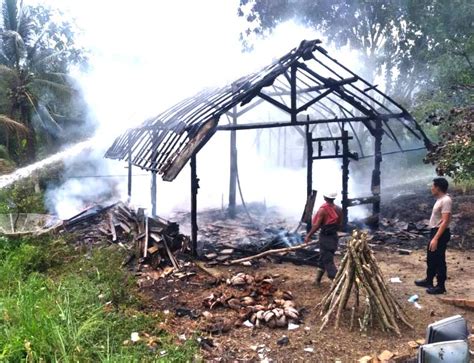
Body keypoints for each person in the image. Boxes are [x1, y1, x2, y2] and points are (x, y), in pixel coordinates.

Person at [415, 177, 452, 294]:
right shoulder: (440, 199)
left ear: (438, 188)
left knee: (439, 259)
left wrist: (436, 238)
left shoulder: (446, 200)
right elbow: (443, 219)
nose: (431, 188)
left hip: (440, 233)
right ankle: (428, 280)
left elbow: (446, 221)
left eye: (433, 186)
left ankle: (441, 286)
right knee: (431, 257)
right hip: (435, 231)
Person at [304, 191, 342, 286]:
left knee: (328, 261)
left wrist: (309, 235)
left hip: (325, 238)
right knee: (323, 258)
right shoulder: (339, 209)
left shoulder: (323, 210)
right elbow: (340, 224)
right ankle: (317, 280)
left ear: (325, 197)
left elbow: (316, 225)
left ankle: (337, 284)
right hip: (334, 237)